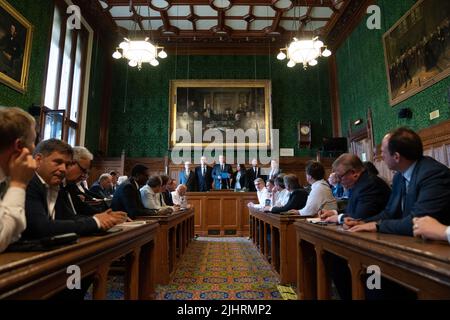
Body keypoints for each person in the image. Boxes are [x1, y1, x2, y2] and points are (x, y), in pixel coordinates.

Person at [347, 127, 450, 235]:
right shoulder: (399, 176)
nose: (381, 156)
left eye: (383, 152)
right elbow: (389, 213)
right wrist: (362, 222)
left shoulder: (433, 175)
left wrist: (378, 226)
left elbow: (418, 222)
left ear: (396, 157)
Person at [24, 139, 127, 239]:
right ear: (38, 160)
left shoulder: (55, 185)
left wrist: (105, 218)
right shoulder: (28, 183)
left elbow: (69, 217)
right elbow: (40, 227)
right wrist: (95, 221)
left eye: (67, 164)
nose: (64, 169)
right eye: (58, 162)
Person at [0, 107, 37, 252]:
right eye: (34, 141)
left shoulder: (7, 178)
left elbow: (14, 235)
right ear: (19, 146)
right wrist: (18, 184)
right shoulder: (17, 179)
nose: (35, 148)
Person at [320, 154, 391, 224]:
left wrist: (339, 218)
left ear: (354, 173)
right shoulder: (360, 182)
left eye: (340, 177)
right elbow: (354, 209)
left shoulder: (369, 184)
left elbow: (360, 217)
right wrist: (333, 212)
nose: (338, 181)